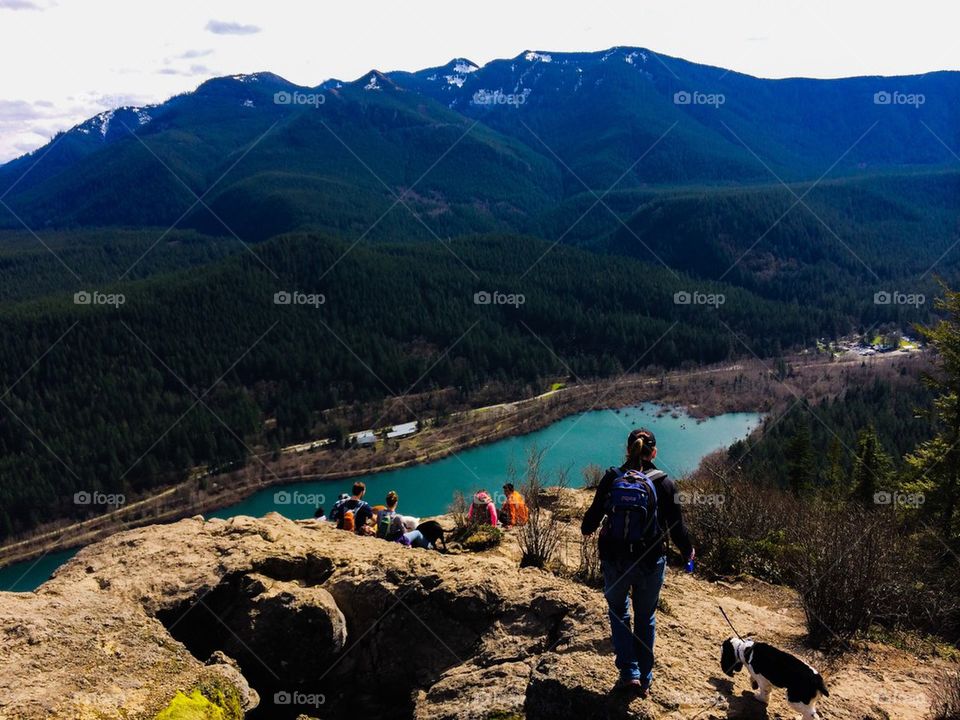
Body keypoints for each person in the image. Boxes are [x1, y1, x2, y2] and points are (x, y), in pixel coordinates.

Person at [581, 428, 695, 696]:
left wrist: (587, 529)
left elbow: (591, 519)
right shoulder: (664, 483)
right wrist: (688, 551)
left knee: (619, 613)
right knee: (645, 617)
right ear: (653, 452)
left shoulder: (612, 478)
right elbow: (677, 527)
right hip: (649, 561)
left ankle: (628, 672)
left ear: (628, 449)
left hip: (614, 559)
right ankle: (644, 677)